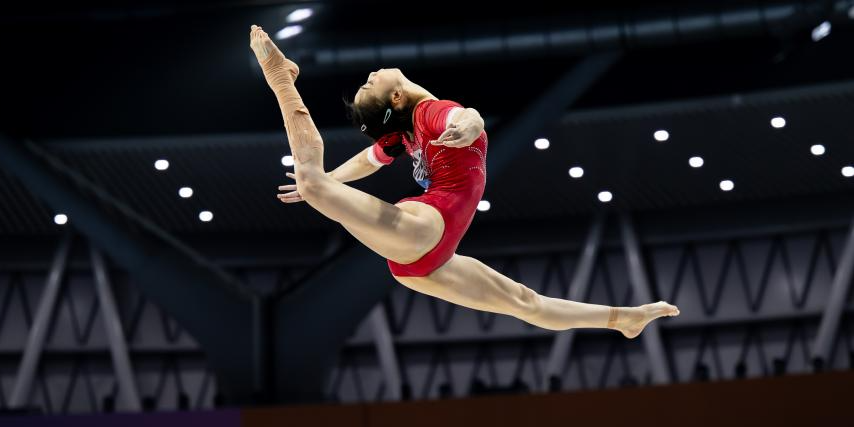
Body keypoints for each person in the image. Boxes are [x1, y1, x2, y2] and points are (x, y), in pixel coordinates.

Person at [249, 25, 679, 338]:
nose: (371, 74)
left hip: (422, 257)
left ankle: (623, 318)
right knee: (312, 183)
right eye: (370, 83)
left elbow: (462, 120)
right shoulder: (423, 116)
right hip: (425, 234)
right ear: (396, 97)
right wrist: (326, 186)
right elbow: (377, 154)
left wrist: (469, 129)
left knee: (526, 304)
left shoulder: (421, 124)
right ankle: (281, 77)